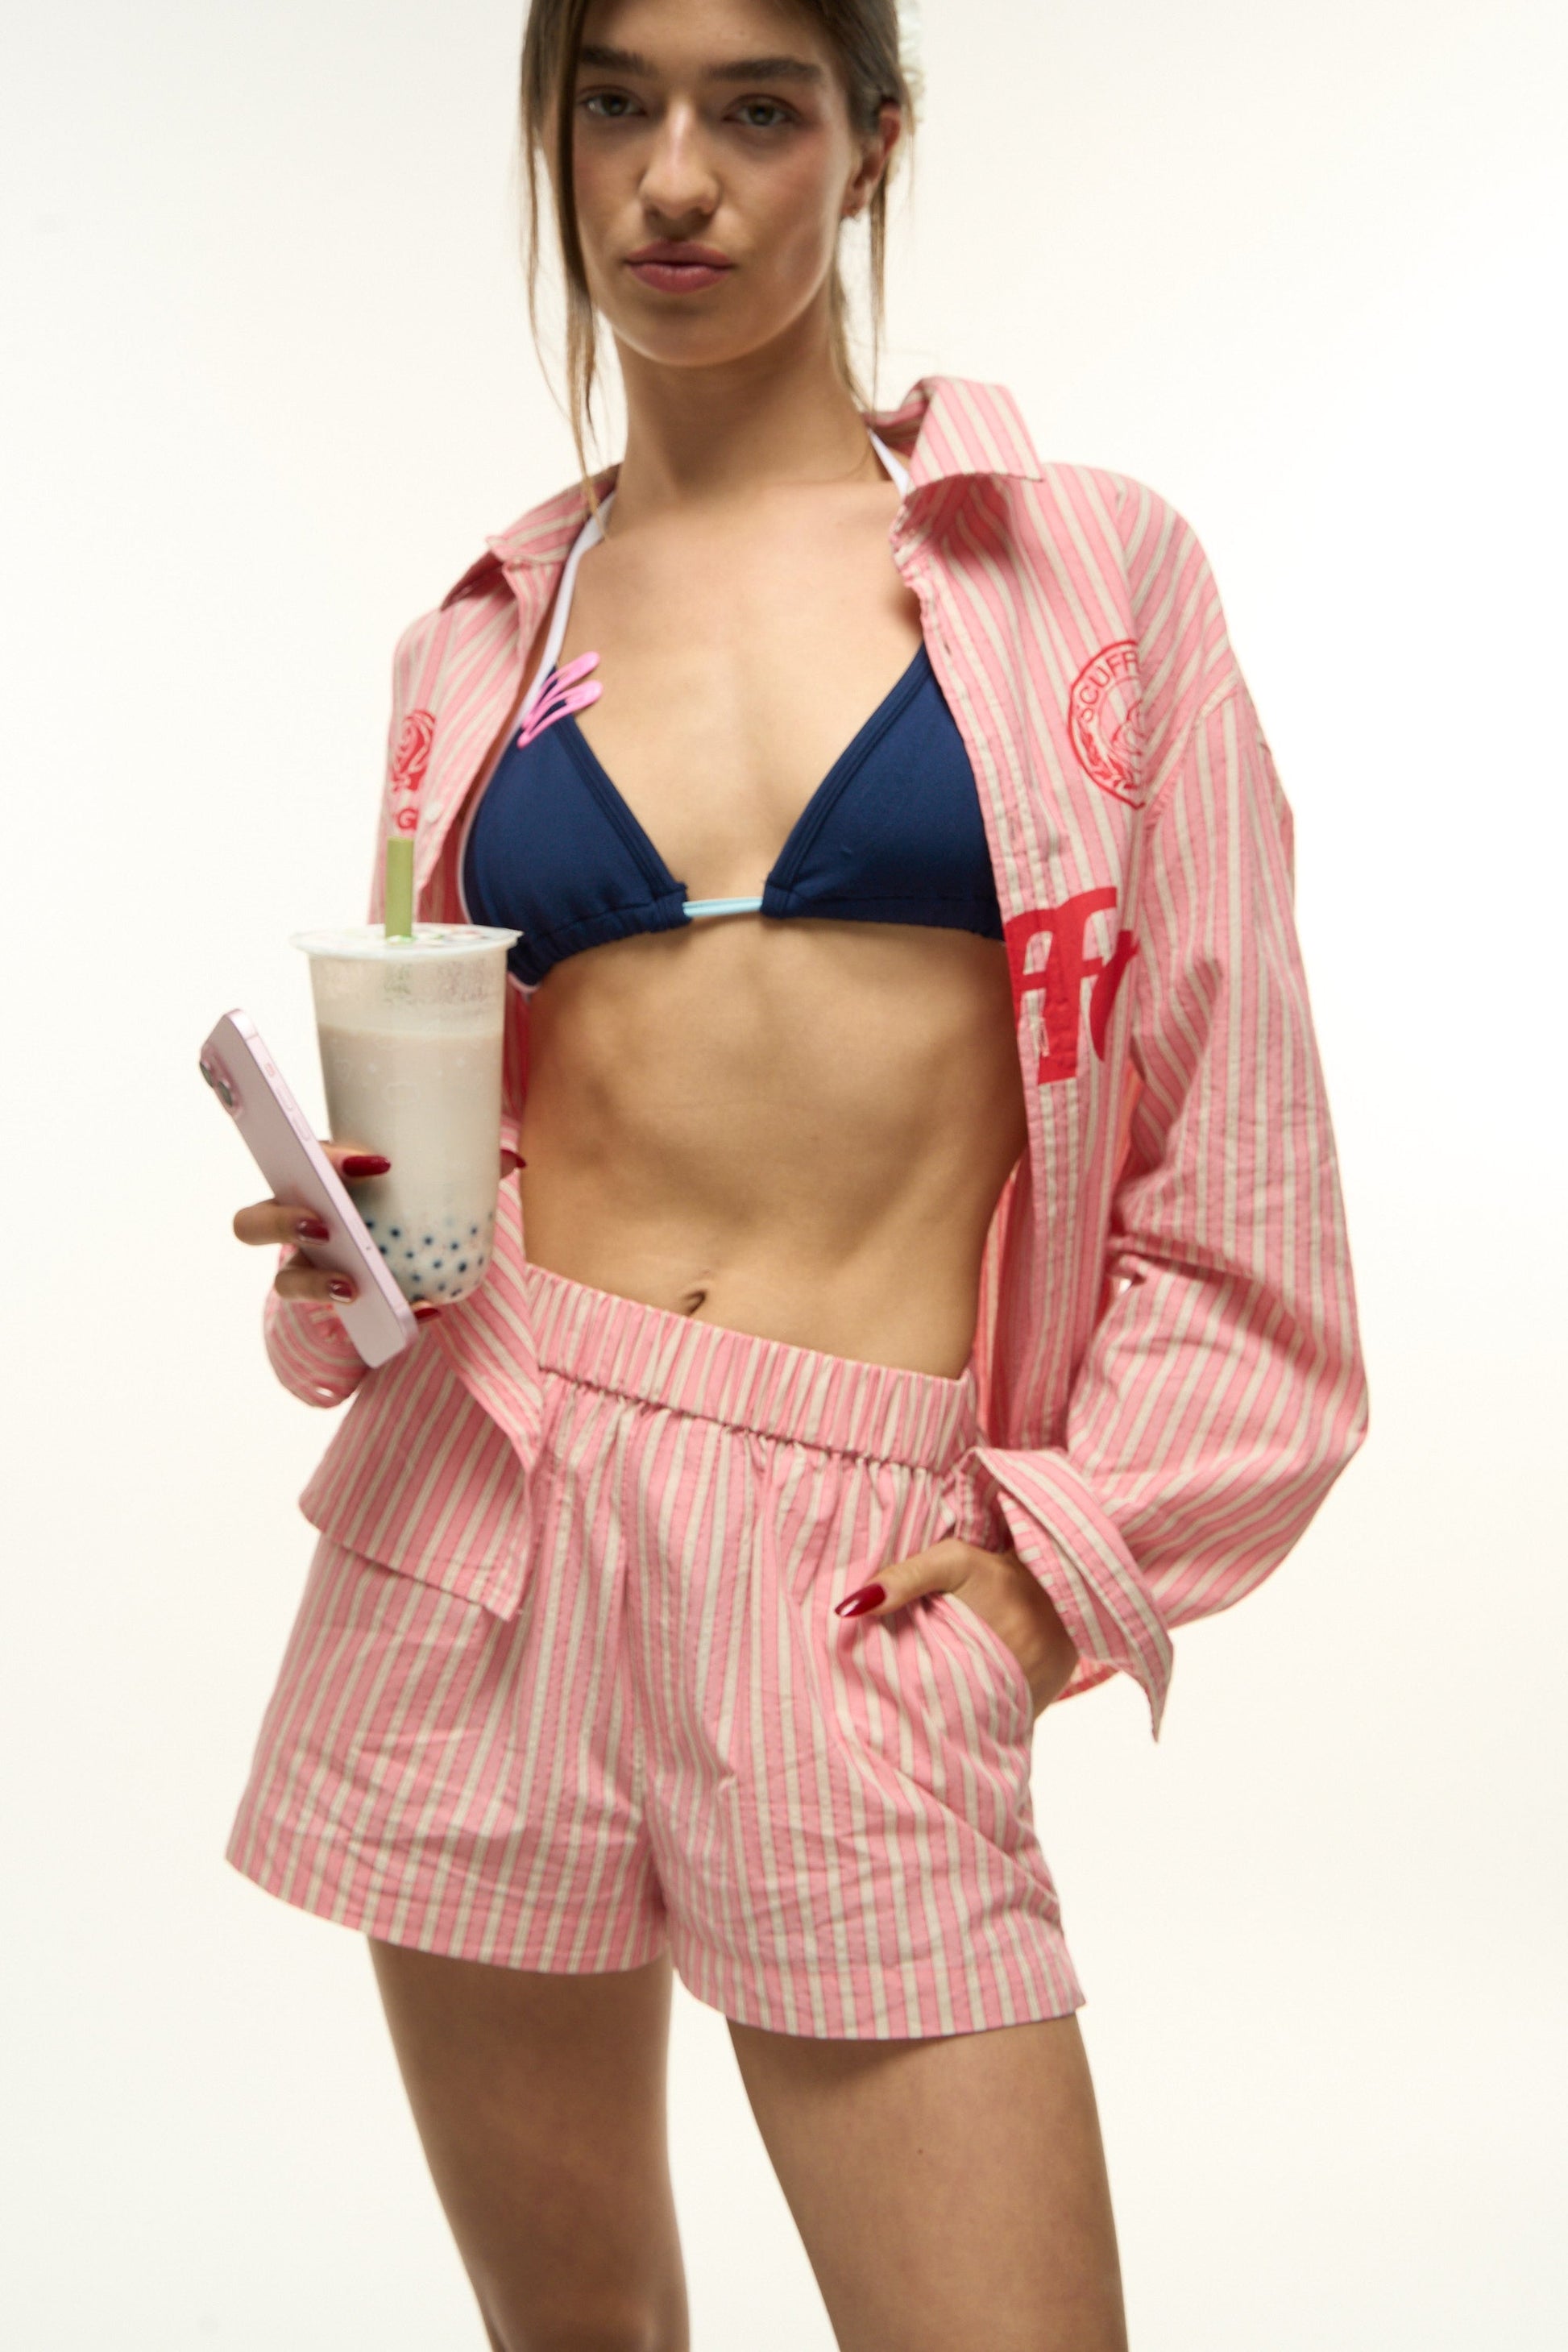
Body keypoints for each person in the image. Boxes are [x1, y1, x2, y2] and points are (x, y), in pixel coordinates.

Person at [226, 3, 1367, 2346]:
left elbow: (1237, 1168)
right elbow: (462, 1125)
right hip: (486, 1525)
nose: (676, 177)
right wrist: (354, 1244)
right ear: (555, 139)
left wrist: (1045, 1593)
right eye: (615, 105)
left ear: (870, 146)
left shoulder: (1085, 572)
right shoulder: (479, 640)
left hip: (860, 1570)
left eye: (756, 108)